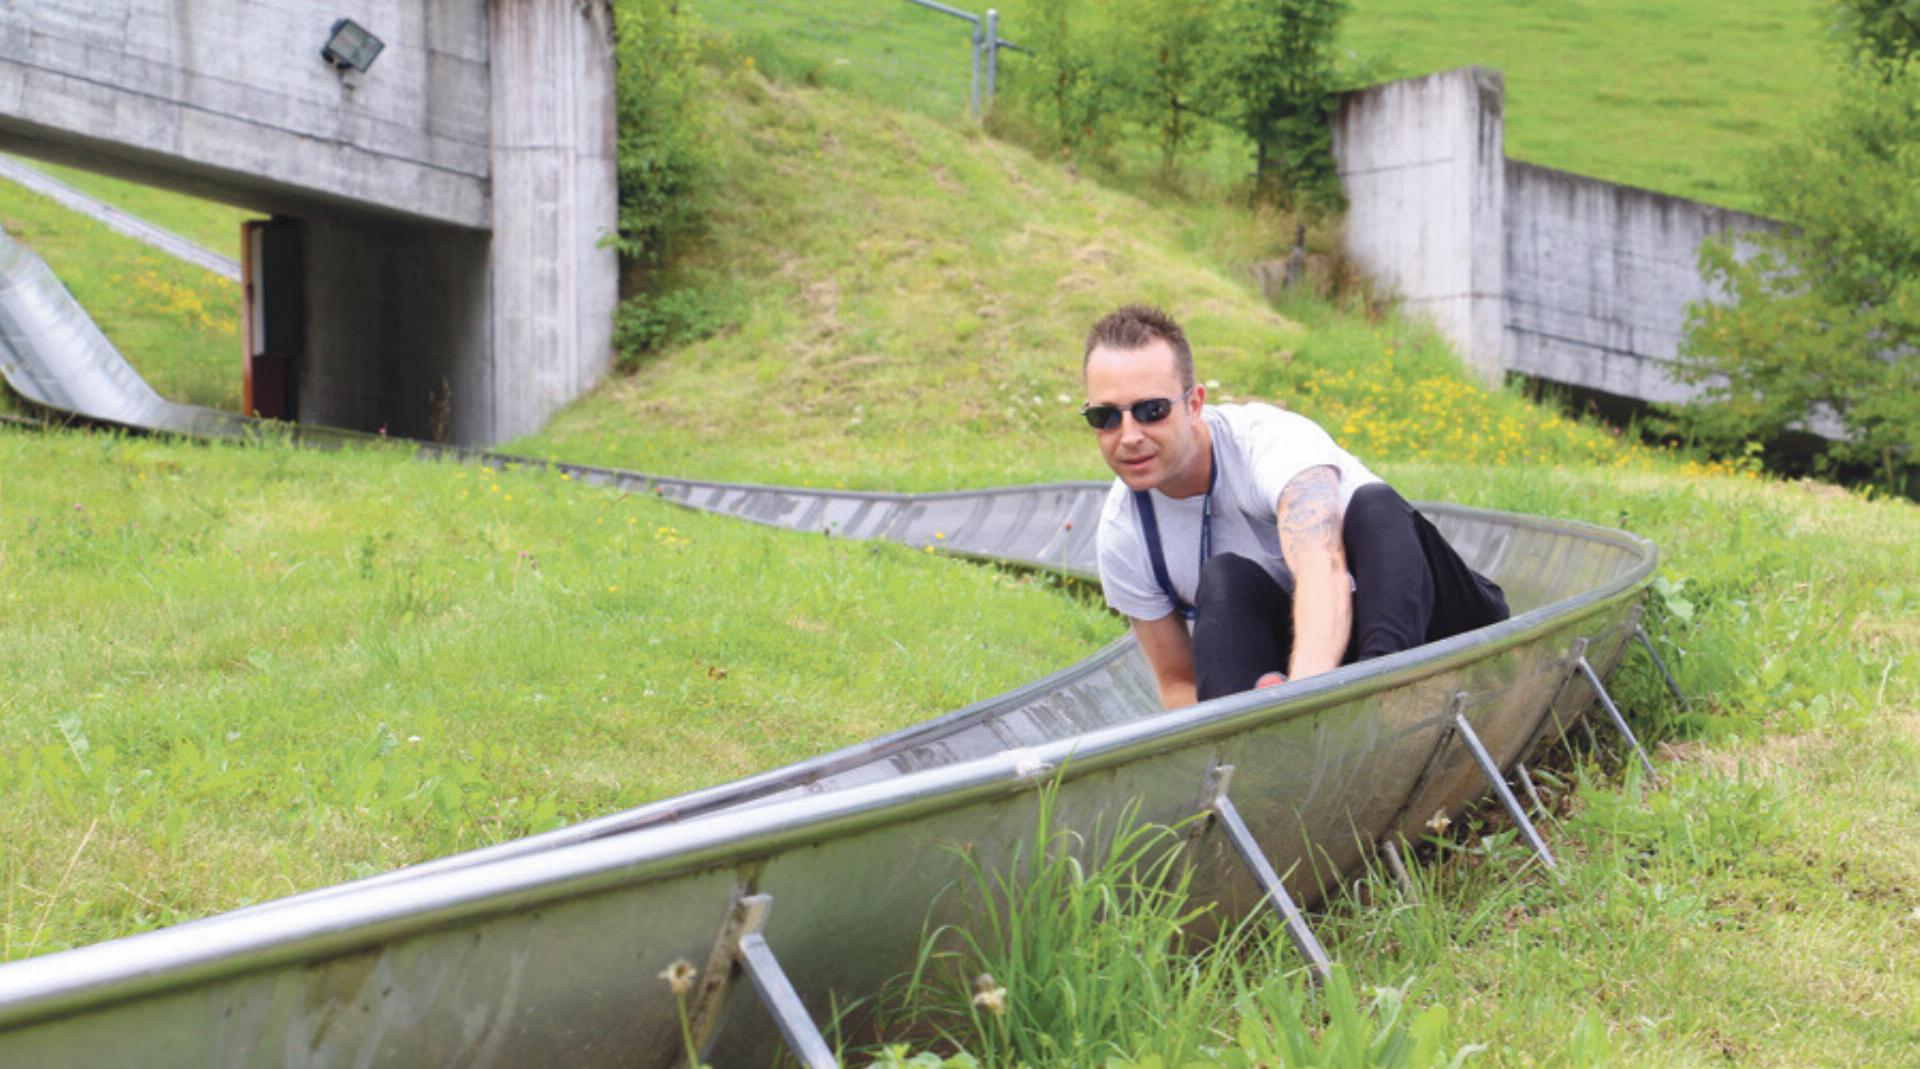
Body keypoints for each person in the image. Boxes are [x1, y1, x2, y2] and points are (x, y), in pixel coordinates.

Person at [1083, 305, 1510, 709]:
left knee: (1374, 506)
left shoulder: (1267, 443)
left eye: (1151, 410)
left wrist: (1303, 700)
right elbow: (1178, 682)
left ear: (1194, 404)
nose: (1129, 435)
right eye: (1105, 417)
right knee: (1223, 579)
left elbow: (1321, 571)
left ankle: (1380, 693)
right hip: (1316, 662)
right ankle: (1253, 748)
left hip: (1440, 617)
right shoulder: (1125, 535)